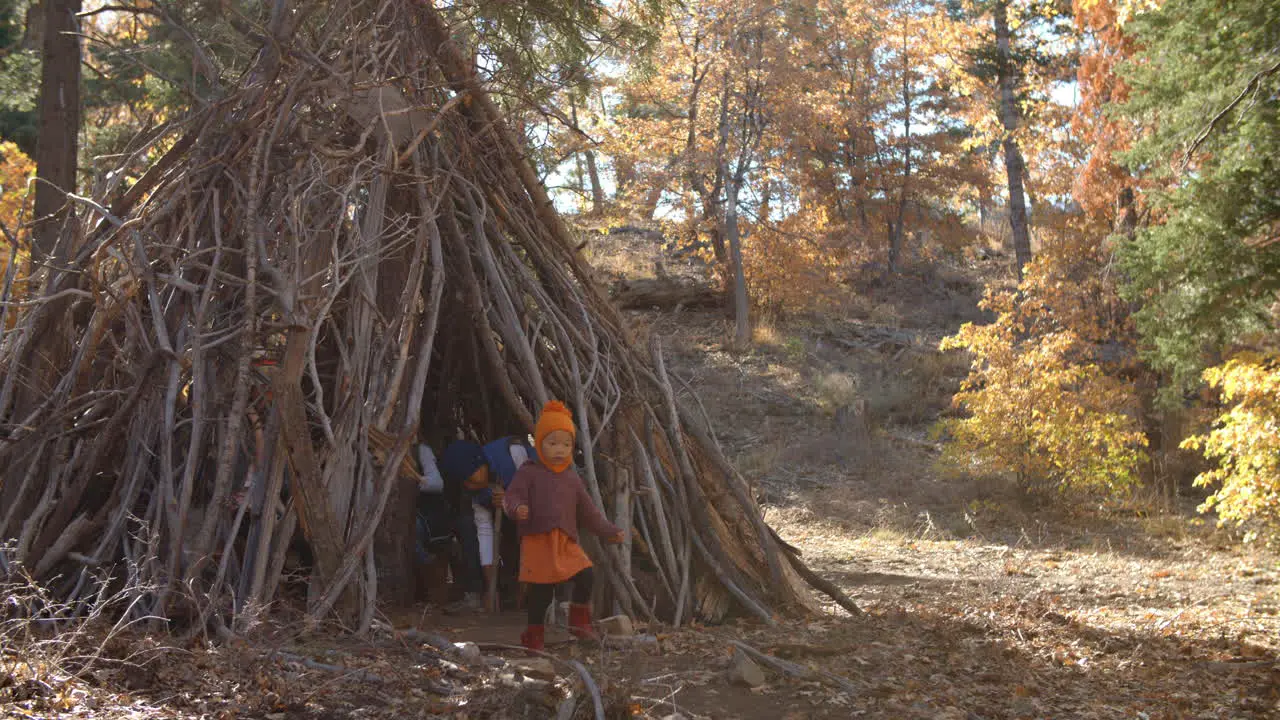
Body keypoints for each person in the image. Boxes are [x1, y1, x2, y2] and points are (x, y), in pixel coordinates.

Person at [503, 400, 624, 650]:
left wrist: (609, 531)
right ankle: (534, 636)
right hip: (538, 542)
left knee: (586, 575)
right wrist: (518, 509)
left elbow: (589, 512)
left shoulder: (572, 478)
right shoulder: (529, 472)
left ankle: (579, 623)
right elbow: (511, 497)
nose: (560, 449)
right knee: (541, 593)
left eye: (566, 444)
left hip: (565, 542)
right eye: (553, 443)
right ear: (539, 443)